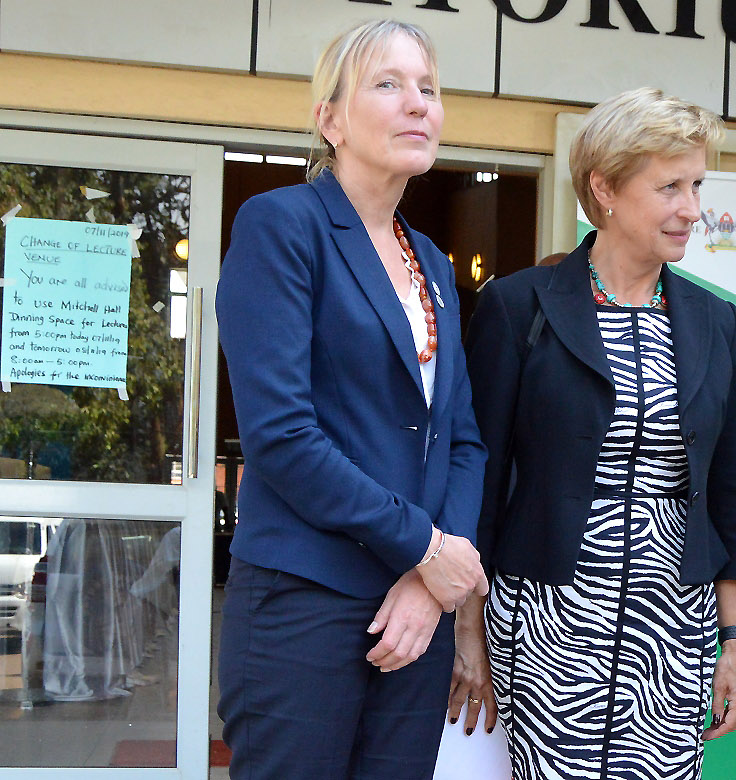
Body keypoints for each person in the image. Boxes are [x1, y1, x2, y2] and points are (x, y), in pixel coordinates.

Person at [215, 19, 488, 780]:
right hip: (303, 604)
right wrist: (426, 550)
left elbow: (461, 438)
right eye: (388, 84)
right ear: (328, 119)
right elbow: (283, 437)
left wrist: (433, 579)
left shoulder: (431, 262)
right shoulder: (283, 227)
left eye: (429, 89)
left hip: (415, 610)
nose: (418, 104)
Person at [457, 86, 736, 780]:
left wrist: (732, 641)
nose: (692, 208)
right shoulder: (517, 306)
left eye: (697, 185)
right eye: (670, 186)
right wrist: (467, 628)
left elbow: (728, 494)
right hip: (547, 619)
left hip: (672, 623)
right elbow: (481, 475)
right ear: (606, 189)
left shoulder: (716, 322)